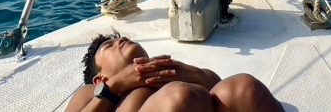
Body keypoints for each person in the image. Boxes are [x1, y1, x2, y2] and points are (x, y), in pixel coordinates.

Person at [65, 32, 284, 112]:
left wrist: (189, 72)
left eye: (119, 38)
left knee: (243, 87)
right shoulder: (91, 93)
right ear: (99, 78)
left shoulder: (169, 76)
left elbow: (219, 85)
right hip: (175, 99)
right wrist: (115, 87)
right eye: (109, 46)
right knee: (180, 96)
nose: (120, 40)